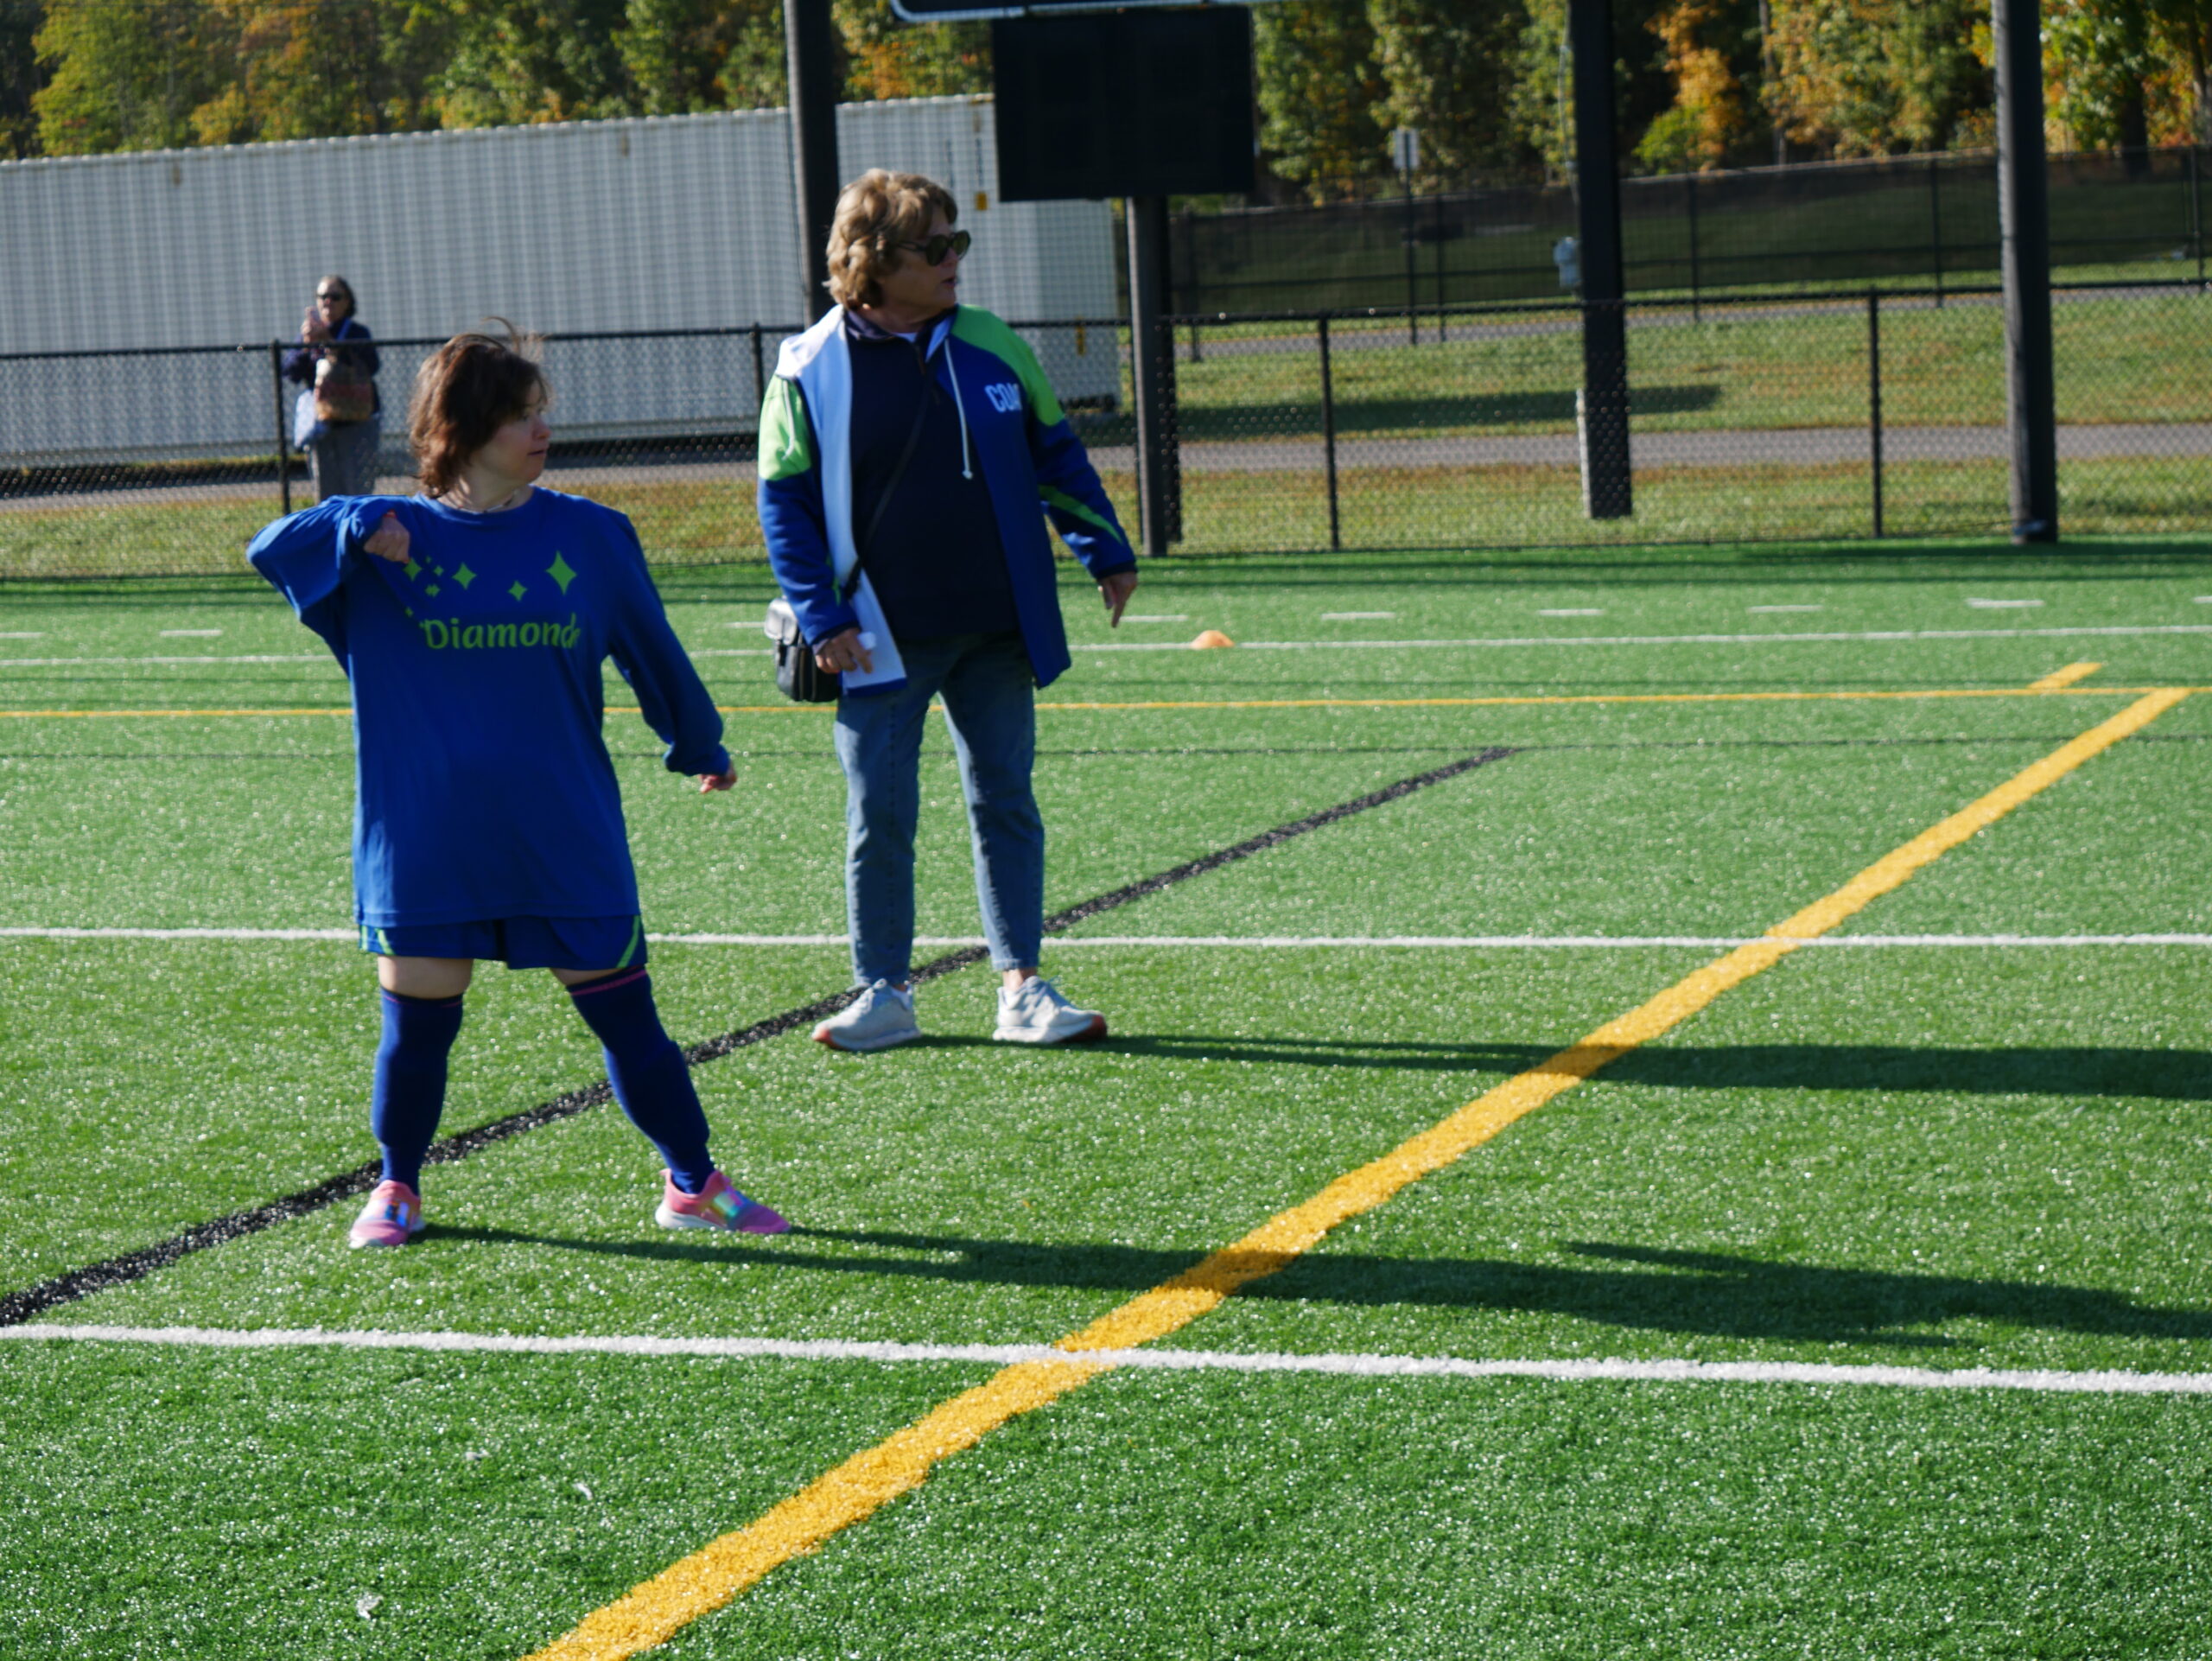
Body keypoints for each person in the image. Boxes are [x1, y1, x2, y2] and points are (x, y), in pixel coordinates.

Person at [248, 327, 789, 1248]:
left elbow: (652, 651)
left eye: (542, 412)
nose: (541, 430)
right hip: (425, 833)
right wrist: (350, 520)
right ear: (459, 428)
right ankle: (397, 1184)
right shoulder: (381, 545)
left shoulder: (591, 534)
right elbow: (270, 545)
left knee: (631, 1022)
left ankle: (693, 1179)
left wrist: (698, 740)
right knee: (417, 1030)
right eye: (518, 415)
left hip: (561, 826)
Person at [759, 169, 1138, 1053]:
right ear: (874, 261)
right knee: (880, 815)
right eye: (934, 247)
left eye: (955, 241)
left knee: (1005, 798)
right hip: (876, 638)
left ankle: (1022, 987)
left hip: (998, 627)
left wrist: (1105, 550)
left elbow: (1057, 452)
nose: (953, 260)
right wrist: (823, 617)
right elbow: (783, 501)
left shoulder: (992, 342)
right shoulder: (808, 365)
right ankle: (883, 990)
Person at [283, 275, 383, 500]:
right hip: (323, 423)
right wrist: (306, 347)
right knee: (326, 492)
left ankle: (359, 534)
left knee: (358, 488)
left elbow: (371, 366)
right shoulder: (309, 333)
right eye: (323, 296)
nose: (328, 302)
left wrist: (331, 343)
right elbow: (290, 372)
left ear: (348, 301)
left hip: (358, 421)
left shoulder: (357, 333)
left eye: (335, 296)